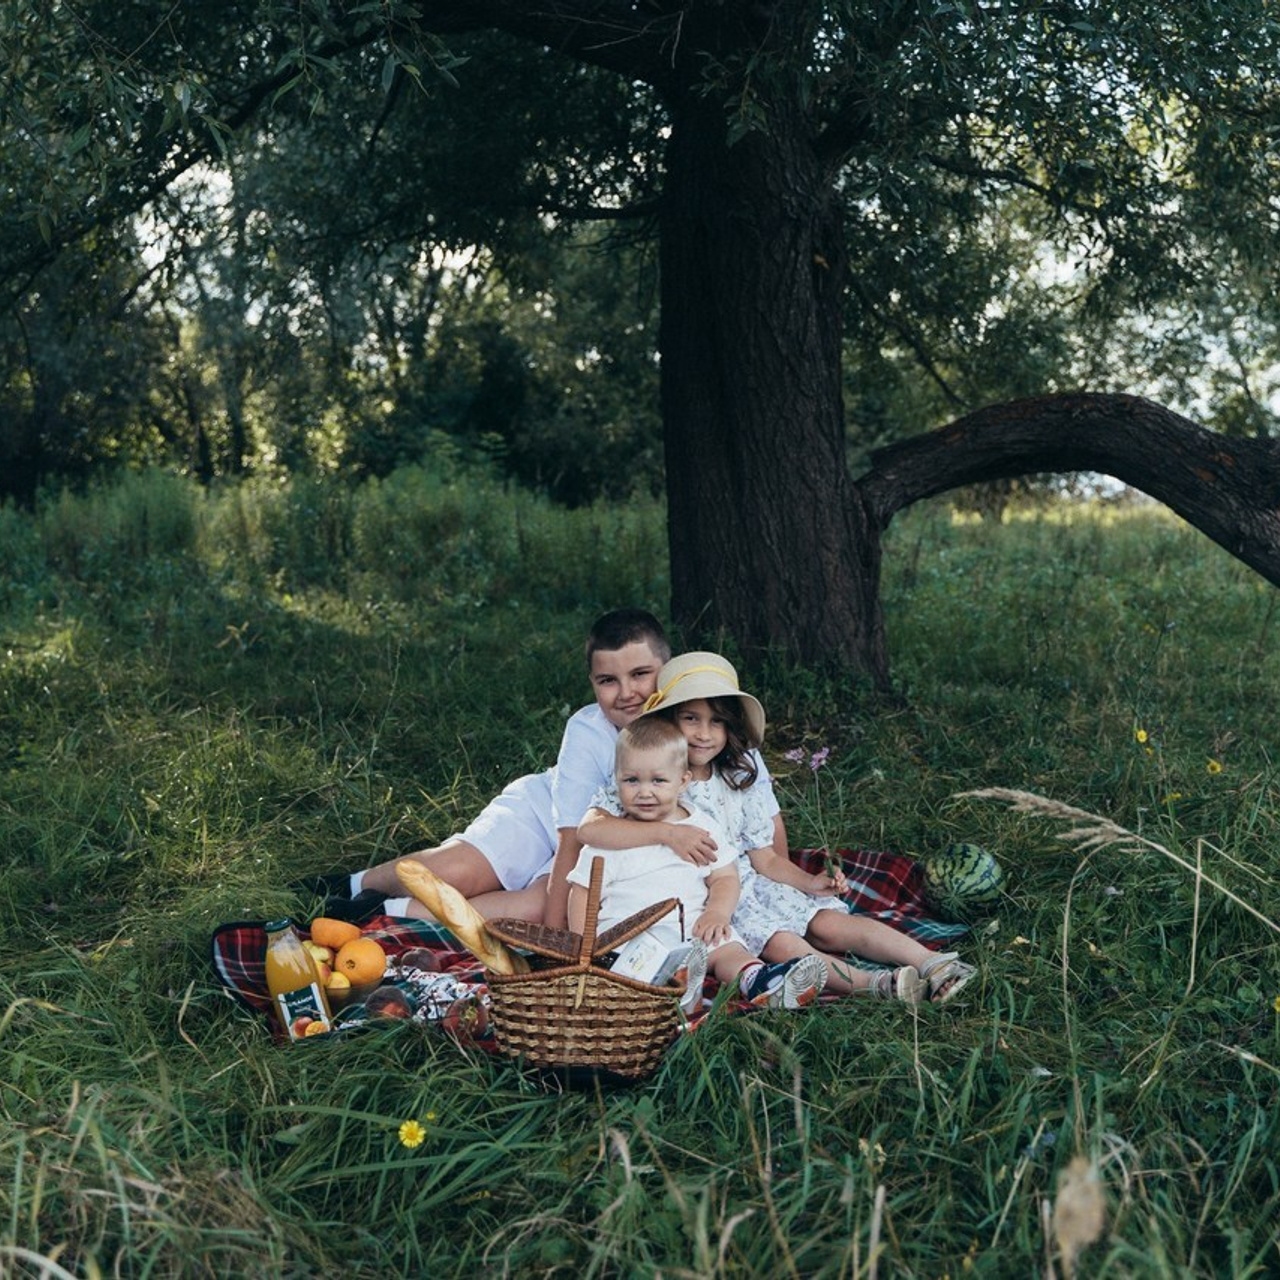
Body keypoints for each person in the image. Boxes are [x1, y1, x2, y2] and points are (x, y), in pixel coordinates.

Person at [579, 651, 976, 1003]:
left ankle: (933, 961)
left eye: (717, 722)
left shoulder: (737, 776)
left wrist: (808, 882)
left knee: (828, 925)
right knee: (785, 944)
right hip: (710, 897)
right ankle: (878, 985)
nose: (703, 733)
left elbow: (765, 858)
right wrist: (668, 833)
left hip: (749, 881)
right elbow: (592, 827)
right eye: (690, 719)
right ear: (668, 720)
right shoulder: (647, 777)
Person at [317, 609, 671, 924]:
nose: (627, 693)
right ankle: (354, 884)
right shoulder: (588, 729)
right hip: (546, 817)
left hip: (600, 847)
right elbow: (569, 837)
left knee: (535, 912)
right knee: (455, 873)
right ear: (593, 681)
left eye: (640, 674)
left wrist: (554, 930)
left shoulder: (688, 728)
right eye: (608, 680)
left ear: (667, 669)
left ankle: (384, 911)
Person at [568, 717, 828, 1012]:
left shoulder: (700, 827)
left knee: (728, 948)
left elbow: (725, 877)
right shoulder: (612, 839)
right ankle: (676, 993)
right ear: (617, 781)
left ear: (683, 782)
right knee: (631, 969)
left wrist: (717, 912)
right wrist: (584, 947)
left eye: (658, 780)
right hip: (631, 939)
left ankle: (760, 981)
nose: (644, 792)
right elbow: (583, 891)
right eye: (631, 780)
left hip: (694, 929)